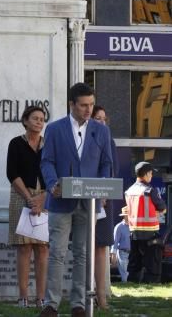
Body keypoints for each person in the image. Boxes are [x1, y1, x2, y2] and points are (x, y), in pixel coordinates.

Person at [39, 82, 113, 317]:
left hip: (88, 203)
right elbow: (47, 161)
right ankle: (51, 304)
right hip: (61, 201)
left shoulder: (101, 130)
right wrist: (52, 185)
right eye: (83, 105)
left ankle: (78, 304)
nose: (88, 110)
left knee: (82, 253)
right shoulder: (55, 129)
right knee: (58, 252)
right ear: (71, 104)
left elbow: (106, 164)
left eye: (91, 104)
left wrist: (101, 189)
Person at [6, 105, 48, 308]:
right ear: (25, 121)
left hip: (45, 198)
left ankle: (41, 298)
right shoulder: (15, 143)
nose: (39, 122)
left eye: (42, 119)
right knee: (24, 248)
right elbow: (11, 173)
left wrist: (42, 199)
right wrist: (29, 198)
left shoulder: (48, 144)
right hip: (21, 196)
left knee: (42, 249)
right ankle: (23, 297)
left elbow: (53, 173)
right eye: (35, 118)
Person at [91, 105, 119, 309]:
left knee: (101, 247)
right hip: (82, 199)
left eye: (104, 118)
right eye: (97, 118)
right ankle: (84, 294)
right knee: (85, 248)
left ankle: (101, 295)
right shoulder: (82, 137)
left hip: (103, 201)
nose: (101, 121)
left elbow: (112, 169)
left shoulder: (109, 140)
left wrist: (103, 194)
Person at [125, 161, 166, 283]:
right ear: (147, 174)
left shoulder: (129, 191)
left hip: (134, 232)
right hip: (150, 232)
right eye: (151, 173)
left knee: (134, 262)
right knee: (152, 262)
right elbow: (162, 208)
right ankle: (151, 284)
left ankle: (132, 282)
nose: (152, 175)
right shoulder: (149, 190)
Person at [111, 207, 130, 283]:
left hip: (133, 252)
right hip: (122, 252)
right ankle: (124, 283)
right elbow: (115, 241)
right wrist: (113, 254)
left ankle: (127, 283)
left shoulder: (133, 226)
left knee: (127, 270)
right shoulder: (119, 227)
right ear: (124, 216)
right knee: (124, 271)